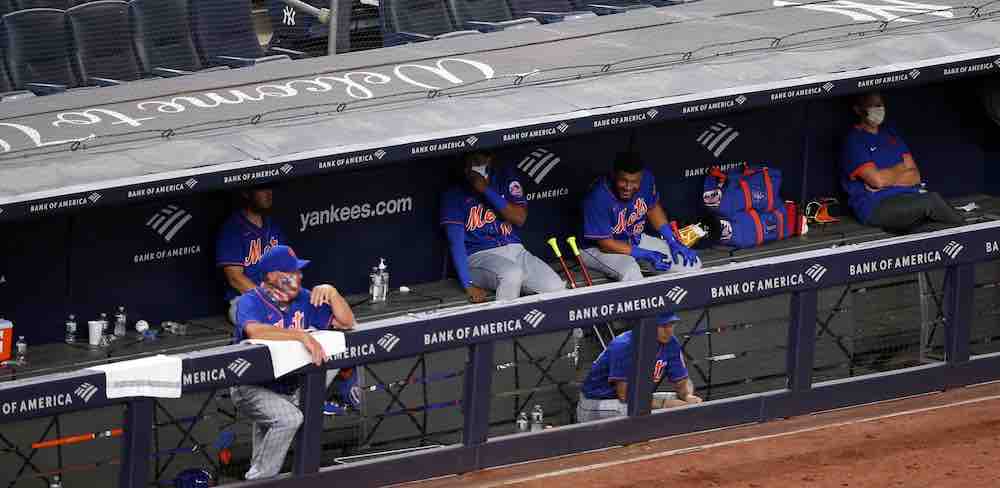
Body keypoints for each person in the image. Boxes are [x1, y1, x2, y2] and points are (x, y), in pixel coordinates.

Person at [230, 245, 355, 480]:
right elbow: (254, 330)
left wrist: (333, 292)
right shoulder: (250, 301)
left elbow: (347, 323)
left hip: (288, 386)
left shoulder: (305, 298)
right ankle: (257, 481)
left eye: (298, 271)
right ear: (272, 277)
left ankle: (257, 479)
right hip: (252, 386)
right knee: (288, 418)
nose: (300, 276)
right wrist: (300, 335)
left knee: (277, 422)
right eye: (292, 272)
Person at [440, 151, 565, 303]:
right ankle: (505, 322)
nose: (478, 162)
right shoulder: (454, 194)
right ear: (465, 164)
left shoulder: (503, 180)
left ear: (490, 159)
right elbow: (456, 243)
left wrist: (486, 190)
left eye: (482, 158)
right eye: (473, 160)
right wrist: (468, 285)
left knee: (555, 286)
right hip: (478, 256)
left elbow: (519, 218)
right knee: (511, 274)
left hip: (516, 250)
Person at [841, 92, 964, 234]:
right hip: (875, 206)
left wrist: (887, 177)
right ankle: (971, 235)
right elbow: (877, 181)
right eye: (871, 105)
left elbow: (915, 176)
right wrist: (899, 170)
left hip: (909, 198)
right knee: (932, 201)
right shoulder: (854, 141)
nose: (877, 109)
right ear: (858, 109)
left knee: (934, 224)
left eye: (879, 105)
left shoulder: (891, 135)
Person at [581, 152, 701, 282]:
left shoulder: (647, 179)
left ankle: (644, 265)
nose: (628, 187)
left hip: (633, 239)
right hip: (594, 249)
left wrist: (671, 240)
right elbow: (605, 244)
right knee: (631, 272)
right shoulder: (598, 196)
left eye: (634, 182)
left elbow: (652, 208)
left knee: (691, 264)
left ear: (641, 177)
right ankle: (637, 266)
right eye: (623, 180)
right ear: (614, 175)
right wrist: (645, 254)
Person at [577, 312, 702, 422]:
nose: (669, 330)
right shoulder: (624, 345)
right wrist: (664, 404)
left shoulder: (671, 342)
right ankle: (637, 447)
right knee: (634, 412)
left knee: (684, 405)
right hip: (594, 403)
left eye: (671, 324)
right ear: (646, 326)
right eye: (664, 326)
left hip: (633, 399)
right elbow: (625, 396)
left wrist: (687, 396)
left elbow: (682, 382)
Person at [216, 186, 289, 324]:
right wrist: (268, 299)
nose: (269, 193)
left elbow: (286, 266)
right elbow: (235, 278)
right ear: (246, 193)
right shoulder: (232, 229)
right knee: (267, 318)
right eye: (262, 189)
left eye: (270, 188)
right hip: (245, 299)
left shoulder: (273, 226)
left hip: (278, 295)